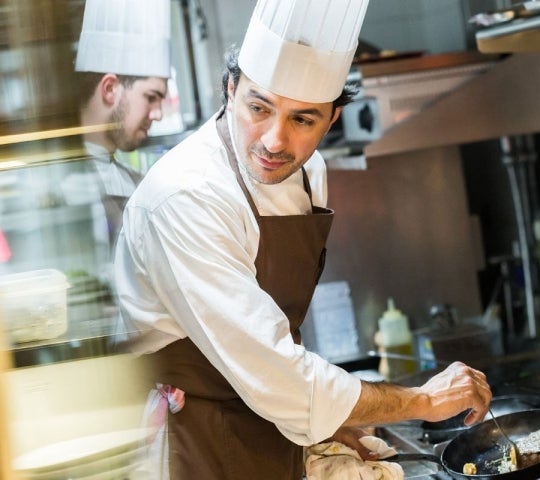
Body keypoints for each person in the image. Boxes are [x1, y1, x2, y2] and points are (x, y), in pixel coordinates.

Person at [114, 1, 493, 478]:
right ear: (230, 90)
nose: (275, 141)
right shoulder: (185, 198)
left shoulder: (309, 171)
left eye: (303, 120)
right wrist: (421, 400)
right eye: (258, 107)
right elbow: (275, 372)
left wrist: (327, 421)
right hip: (195, 440)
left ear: (331, 120)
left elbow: (276, 350)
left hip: (274, 422)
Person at [72, 0, 171, 279]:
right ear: (110, 88)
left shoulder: (136, 182)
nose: (158, 114)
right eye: (151, 97)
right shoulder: (62, 178)